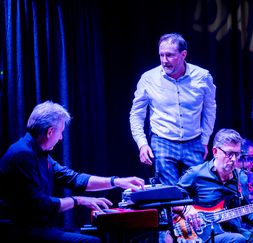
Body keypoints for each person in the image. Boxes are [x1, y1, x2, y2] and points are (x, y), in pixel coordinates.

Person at [0, 100, 146, 242]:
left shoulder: (39, 153)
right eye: (61, 132)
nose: (61, 138)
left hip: (36, 228)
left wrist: (116, 181)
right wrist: (78, 200)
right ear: (50, 132)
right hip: (20, 231)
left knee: (101, 234)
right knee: (92, 241)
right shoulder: (21, 155)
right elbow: (42, 205)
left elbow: (74, 179)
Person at [129, 32, 217, 186]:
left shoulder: (203, 77)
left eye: (169, 55)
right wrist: (142, 143)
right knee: (170, 193)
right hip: (162, 141)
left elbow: (210, 109)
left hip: (194, 141)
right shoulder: (149, 78)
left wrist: (205, 140)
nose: (164, 60)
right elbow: (136, 114)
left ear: (183, 54)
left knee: (197, 190)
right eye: (161, 55)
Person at [172, 128, 253, 243]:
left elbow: (246, 210)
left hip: (234, 231)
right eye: (229, 154)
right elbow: (171, 200)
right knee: (237, 240)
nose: (234, 159)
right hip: (203, 235)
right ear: (215, 152)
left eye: (237, 154)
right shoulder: (196, 174)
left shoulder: (241, 177)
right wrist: (186, 209)